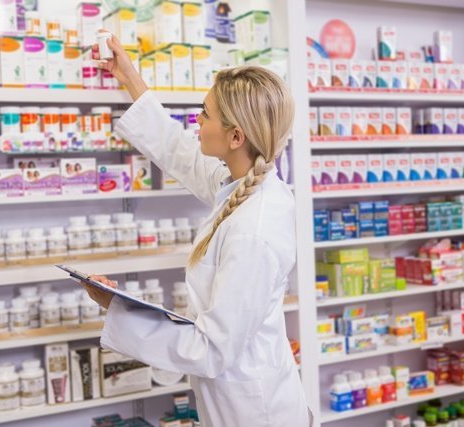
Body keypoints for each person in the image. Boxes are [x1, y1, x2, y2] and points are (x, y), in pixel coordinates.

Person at [81, 32, 311, 427]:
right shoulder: (243, 182)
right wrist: (129, 77)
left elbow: (210, 349)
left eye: (205, 114)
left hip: (256, 415)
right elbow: (180, 152)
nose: (196, 121)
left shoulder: (253, 231)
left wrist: (117, 308)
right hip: (239, 404)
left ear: (236, 137)